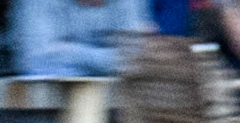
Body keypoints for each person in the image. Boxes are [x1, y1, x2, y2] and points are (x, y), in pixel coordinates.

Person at [9, 0, 151, 75]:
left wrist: (65, 51)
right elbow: (34, 61)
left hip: (115, 115)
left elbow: (136, 60)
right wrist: (111, 62)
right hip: (33, 118)